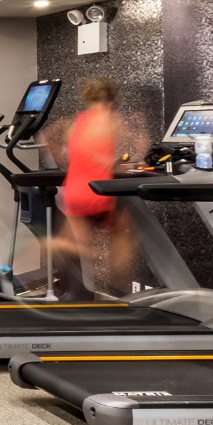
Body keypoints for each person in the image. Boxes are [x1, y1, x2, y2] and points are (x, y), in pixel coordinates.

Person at [50, 78, 138, 300]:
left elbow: (57, 147)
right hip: (98, 193)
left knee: (75, 244)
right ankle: (120, 285)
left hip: (74, 192)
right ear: (111, 101)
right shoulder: (112, 120)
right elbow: (137, 150)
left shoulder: (76, 123)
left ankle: (72, 287)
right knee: (125, 233)